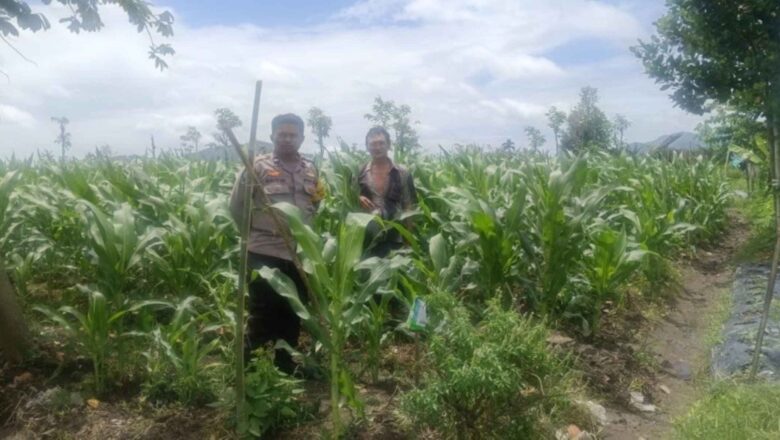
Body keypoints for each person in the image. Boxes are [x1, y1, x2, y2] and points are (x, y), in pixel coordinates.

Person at [229, 113, 323, 374]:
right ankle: (252, 374)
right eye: (282, 134)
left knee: (293, 313)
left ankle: (285, 366)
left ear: (302, 138)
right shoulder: (256, 167)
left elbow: (315, 203)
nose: (287, 139)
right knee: (263, 313)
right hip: (264, 252)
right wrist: (253, 234)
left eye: (293, 135)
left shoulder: (311, 170)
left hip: (298, 253)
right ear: (272, 136)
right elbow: (237, 206)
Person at [357, 126, 417, 258]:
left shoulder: (402, 172)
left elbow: (408, 206)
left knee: (395, 276)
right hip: (368, 237)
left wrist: (408, 239)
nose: (377, 147)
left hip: (395, 237)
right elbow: (349, 198)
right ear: (367, 147)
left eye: (381, 143)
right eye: (372, 144)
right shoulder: (360, 172)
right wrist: (358, 197)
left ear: (388, 145)